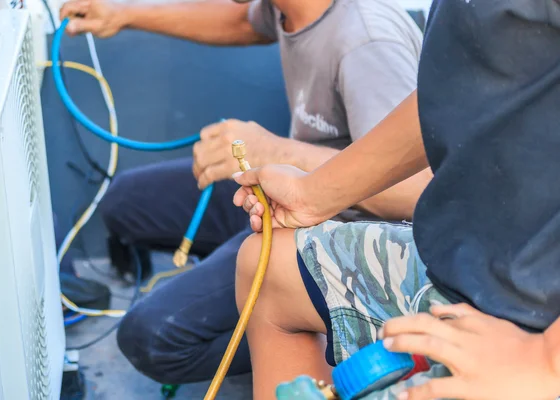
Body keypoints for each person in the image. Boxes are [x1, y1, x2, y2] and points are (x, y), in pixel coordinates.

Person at [59, 0, 432, 384]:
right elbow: (242, 20)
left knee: (152, 339)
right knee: (125, 203)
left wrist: (279, 151)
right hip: (282, 195)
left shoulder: (366, 41)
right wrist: (124, 14)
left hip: (340, 233)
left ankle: (321, 337)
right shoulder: (287, 9)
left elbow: (418, 191)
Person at [233, 0, 560, 398]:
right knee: (267, 268)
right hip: (469, 261)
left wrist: (543, 362)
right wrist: (312, 194)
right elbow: (461, 86)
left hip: (537, 319)